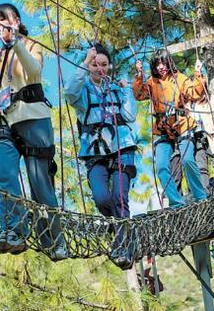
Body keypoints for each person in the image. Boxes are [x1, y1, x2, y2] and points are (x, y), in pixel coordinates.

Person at [0, 3, 66, 260]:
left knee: (40, 184)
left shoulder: (30, 46)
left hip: (33, 118)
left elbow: (34, 71)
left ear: (16, 20)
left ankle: (54, 240)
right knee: (4, 174)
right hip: (3, 122)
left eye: (1, 19)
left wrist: (15, 41)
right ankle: (13, 232)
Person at [64, 44, 138, 269]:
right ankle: (118, 228)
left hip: (121, 148)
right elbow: (69, 92)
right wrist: (85, 63)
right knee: (101, 198)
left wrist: (127, 90)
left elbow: (129, 114)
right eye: (95, 65)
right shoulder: (83, 91)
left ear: (110, 67)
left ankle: (123, 246)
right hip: (95, 151)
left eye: (104, 65)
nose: (100, 69)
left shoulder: (116, 88)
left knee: (120, 198)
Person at [132, 49, 207, 207]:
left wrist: (198, 74)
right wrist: (139, 74)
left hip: (182, 125)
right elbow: (139, 94)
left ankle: (200, 197)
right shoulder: (152, 83)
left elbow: (195, 93)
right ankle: (176, 202)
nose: (161, 67)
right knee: (161, 166)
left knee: (187, 160)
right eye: (158, 63)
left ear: (169, 63)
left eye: (164, 63)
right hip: (162, 129)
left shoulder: (180, 79)